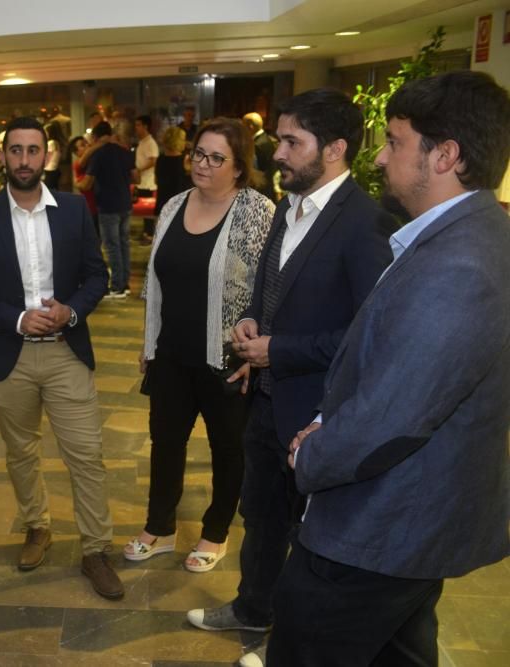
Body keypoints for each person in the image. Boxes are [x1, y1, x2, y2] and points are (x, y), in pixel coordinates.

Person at [268, 70, 510, 667]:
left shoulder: (457, 266)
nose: (380, 156)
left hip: (377, 529)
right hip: (415, 525)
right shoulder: (475, 234)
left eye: (396, 142)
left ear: (445, 155)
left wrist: (310, 455)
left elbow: (394, 415)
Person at [187, 88, 396, 666]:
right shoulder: (288, 206)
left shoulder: (366, 224)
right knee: (261, 517)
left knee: (312, 544)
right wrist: (257, 318)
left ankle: (290, 646)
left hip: (319, 413)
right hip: (267, 402)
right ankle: (253, 608)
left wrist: (280, 349)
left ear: (334, 149)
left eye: (290, 142)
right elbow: (273, 284)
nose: (276, 152)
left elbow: (366, 334)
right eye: (279, 138)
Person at [0, 117, 124, 601]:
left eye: (33, 151)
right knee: (21, 452)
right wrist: (15, 319)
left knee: (87, 455)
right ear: (2, 155)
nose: (25, 160)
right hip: (8, 356)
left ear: (46, 156)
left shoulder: (73, 210)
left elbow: (97, 275)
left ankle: (96, 549)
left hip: (65, 353)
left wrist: (70, 311)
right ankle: (37, 526)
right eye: (16, 151)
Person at [129, 118, 274, 572]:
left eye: (216, 158)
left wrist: (259, 348)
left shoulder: (257, 211)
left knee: (228, 448)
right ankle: (161, 526)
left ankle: (215, 533)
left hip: (227, 358)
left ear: (238, 167)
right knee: (165, 443)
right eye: (198, 154)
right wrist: (149, 341)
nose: (203, 164)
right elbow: (157, 282)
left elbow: (271, 287)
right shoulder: (173, 205)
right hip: (171, 352)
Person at [78, 120, 138, 298]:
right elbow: (137, 178)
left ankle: (117, 286)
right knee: (123, 244)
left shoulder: (99, 155)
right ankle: (124, 283)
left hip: (107, 205)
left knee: (112, 246)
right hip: (125, 204)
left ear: (95, 137)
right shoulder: (125, 153)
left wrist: (76, 183)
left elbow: (86, 184)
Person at [153, 126, 190, 224]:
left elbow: (156, 181)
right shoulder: (185, 160)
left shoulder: (160, 159)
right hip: (180, 205)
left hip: (163, 203)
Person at [134, 114, 160, 243]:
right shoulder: (142, 142)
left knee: (148, 211)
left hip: (149, 182)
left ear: (145, 126)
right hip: (142, 182)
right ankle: (146, 233)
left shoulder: (150, 142)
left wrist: (139, 170)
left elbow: (153, 161)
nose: (136, 128)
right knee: (144, 211)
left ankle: (149, 235)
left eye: (138, 125)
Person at [242, 112, 278, 201]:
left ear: (250, 126)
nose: (242, 129)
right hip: (268, 187)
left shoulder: (257, 145)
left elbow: (256, 173)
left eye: (243, 125)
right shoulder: (266, 138)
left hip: (260, 191)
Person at [43, 121, 67, 190]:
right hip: (54, 170)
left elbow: (46, 158)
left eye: (45, 131)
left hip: (50, 171)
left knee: (49, 191)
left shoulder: (51, 143)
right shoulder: (55, 142)